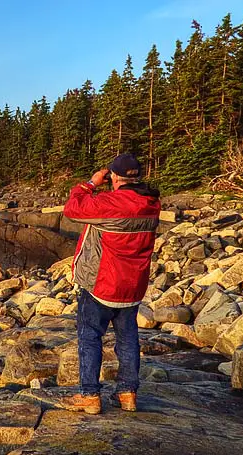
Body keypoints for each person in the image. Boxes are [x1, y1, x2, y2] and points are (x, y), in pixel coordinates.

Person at [61, 153, 161, 413]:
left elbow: (73, 209)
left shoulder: (110, 202)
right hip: (133, 284)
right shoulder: (151, 202)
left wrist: (91, 183)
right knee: (127, 338)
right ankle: (127, 394)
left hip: (103, 284)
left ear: (114, 177)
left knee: (90, 337)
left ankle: (90, 396)